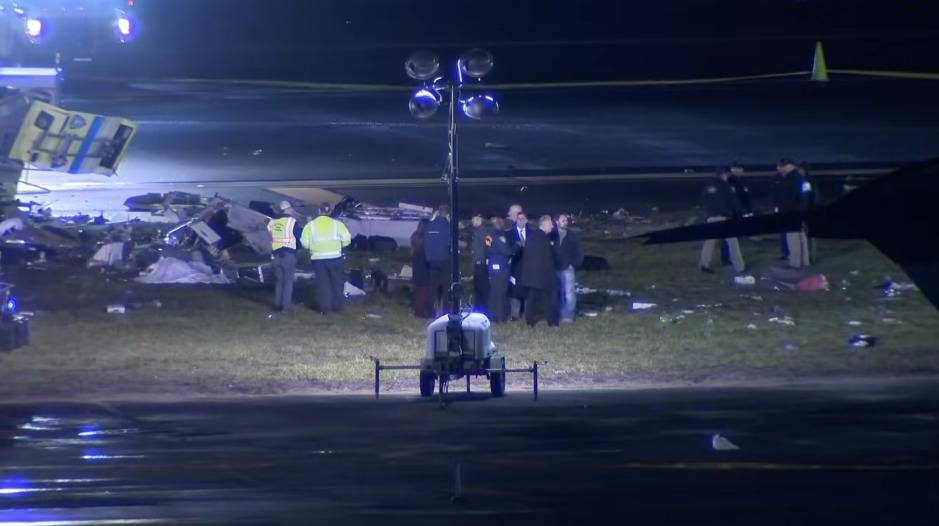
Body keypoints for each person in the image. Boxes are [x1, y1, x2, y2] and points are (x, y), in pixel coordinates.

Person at [301, 202, 352, 314]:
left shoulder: (310, 225)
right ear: (329, 211)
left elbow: (304, 243)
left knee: (322, 284)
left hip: (318, 258)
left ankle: (324, 308)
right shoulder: (337, 224)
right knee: (337, 282)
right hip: (335, 257)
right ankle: (338, 306)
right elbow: (347, 240)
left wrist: (313, 247)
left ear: (319, 211)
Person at [699, 168, 746, 273]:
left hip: (711, 216)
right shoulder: (725, 186)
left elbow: (703, 201)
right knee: (733, 243)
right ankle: (740, 267)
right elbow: (733, 201)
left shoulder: (708, 186)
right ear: (724, 176)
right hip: (724, 216)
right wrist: (739, 213)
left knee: (709, 243)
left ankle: (704, 264)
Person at [519, 215, 560, 327]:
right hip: (542, 276)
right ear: (545, 224)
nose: (552, 227)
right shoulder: (543, 239)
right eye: (551, 224)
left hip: (532, 276)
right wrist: (552, 275)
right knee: (549, 299)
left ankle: (530, 321)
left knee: (532, 299)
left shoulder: (532, 237)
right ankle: (552, 321)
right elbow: (547, 259)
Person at [267, 200, 304, 313]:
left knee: (279, 281)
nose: (293, 210)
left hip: (275, 255)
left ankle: (278, 305)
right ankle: (286, 307)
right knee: (288, 281)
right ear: (288, 209)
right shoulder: (292, 222)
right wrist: (299, 247)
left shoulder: (272, 222)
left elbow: (271, 233)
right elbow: (298, 238)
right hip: (288, 254)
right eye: (292, 208)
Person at [773, 158, 810, 268]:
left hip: (791, 213)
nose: (782, 168)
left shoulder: (789, 180)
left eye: (785, 165)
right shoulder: (802, 179)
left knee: (793, 239)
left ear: (791, 166)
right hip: (801, 212)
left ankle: (795, 263)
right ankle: (805, 261)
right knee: (801, 238)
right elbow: (806, 196)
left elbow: (785, 199)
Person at [553, 213, 583, 323]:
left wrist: (574, 264)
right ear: (556, 222)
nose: (565, 223)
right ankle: (558, 314)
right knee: (557, 293)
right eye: (563, 220)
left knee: (569, 293)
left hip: (567, 268)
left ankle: (568, 316)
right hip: (555, 268)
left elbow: (578, 252)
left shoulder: (572, 236)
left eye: (566, 220)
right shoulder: (552, 235)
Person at [721, 161, 752, 266]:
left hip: (741, 212)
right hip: (730, 213)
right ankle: (726, 259)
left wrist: (749, 211)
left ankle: (734, 257)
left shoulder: (745, 181)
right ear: (732, 169)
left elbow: (747, 198)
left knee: (737, 237)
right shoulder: (728, 182)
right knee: (727, 237)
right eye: (736, 168)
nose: (738, 170)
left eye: (740, 168)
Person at [423, 204, 451, 317]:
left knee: (432, 287)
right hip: (444, 260)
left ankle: (430, 311)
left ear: (439, 213)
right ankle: (446, 312)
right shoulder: (448, 226)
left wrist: (428, 257)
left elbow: (425, 243)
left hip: (432, 260)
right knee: (446, 287)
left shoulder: (429, 226)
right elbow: (450, 244)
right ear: (448, 214)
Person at [485, 215, 513, 323]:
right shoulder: (498, 235)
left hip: (492, 264)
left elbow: (487, 248)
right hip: (501, 265)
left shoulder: (488, 235)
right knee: (500, 291)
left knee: (494, 291)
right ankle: (500, 315)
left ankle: (492, 314)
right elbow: (507, 250)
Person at [506, 211, 530, 321]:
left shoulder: (532, 234)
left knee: (527, 290)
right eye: (518, 218)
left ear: (526, 221)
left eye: (523, 219)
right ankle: (514, 315)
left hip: (528, 266)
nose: (520, 221)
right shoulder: (509, 234)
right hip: (515, 267)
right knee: (515, 291)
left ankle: (526, 314)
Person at [410, 218, 431, 318]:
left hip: (417, 266)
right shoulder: (425, 239)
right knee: (424, 291)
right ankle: (422, 311)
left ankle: (418, 309)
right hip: (424, 267)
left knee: (419, 291)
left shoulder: (415, 237)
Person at [470, 212, 490, 313]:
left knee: (482, 288)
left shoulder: (485, 232)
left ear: (479, 219)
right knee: (477, 288)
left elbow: (488, 246)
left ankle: (483, 309)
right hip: (477, 263)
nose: (472, 221)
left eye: (474, 219)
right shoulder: (476, 231)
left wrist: (485, 259)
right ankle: (478, 309)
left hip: (482, 263)